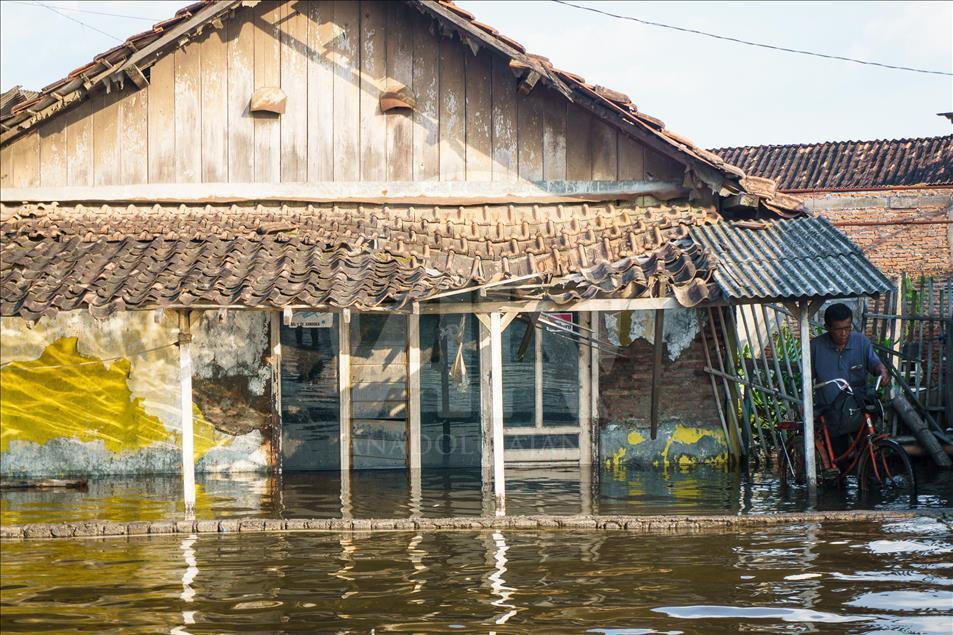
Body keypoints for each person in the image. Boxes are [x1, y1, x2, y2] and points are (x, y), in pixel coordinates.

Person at [810, 302, 889, 458]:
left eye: (847, 328)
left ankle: (868, 479)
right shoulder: (815, 347)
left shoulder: (861, 342)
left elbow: (875, 364)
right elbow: (804, 379)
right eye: (839, 329)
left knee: (870, 452)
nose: (844, 333)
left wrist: (882, 371)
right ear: (827, 327)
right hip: (831, 412)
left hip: (858, 408)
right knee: (839, 461)